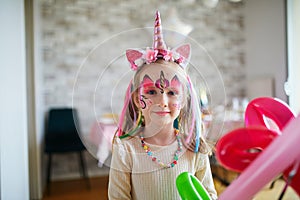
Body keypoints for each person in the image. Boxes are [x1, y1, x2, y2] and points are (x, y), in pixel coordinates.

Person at [108, 11, 218, 200]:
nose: (162, 101)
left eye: (172, 93)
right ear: (137, 99)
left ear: (183, 101)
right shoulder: (126, 148)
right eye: (151, 92)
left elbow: (209, 194)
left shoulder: (193, 147)